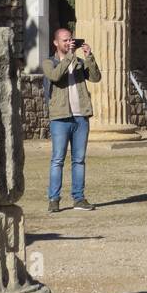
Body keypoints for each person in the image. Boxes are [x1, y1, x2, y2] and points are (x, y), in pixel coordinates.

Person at [42, 28, 101, 213]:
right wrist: (68, 56)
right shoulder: (48, 62)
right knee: (57, 159)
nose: (69, 43)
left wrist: (89, 56)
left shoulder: (78, 63)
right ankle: (54, 199)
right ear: (56, 43)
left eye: (70, 40)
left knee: (79, 160)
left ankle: (79, 198)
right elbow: (55, 76)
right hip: (60, 118)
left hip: (80, 116)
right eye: (65, 40)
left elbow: (95, 77)